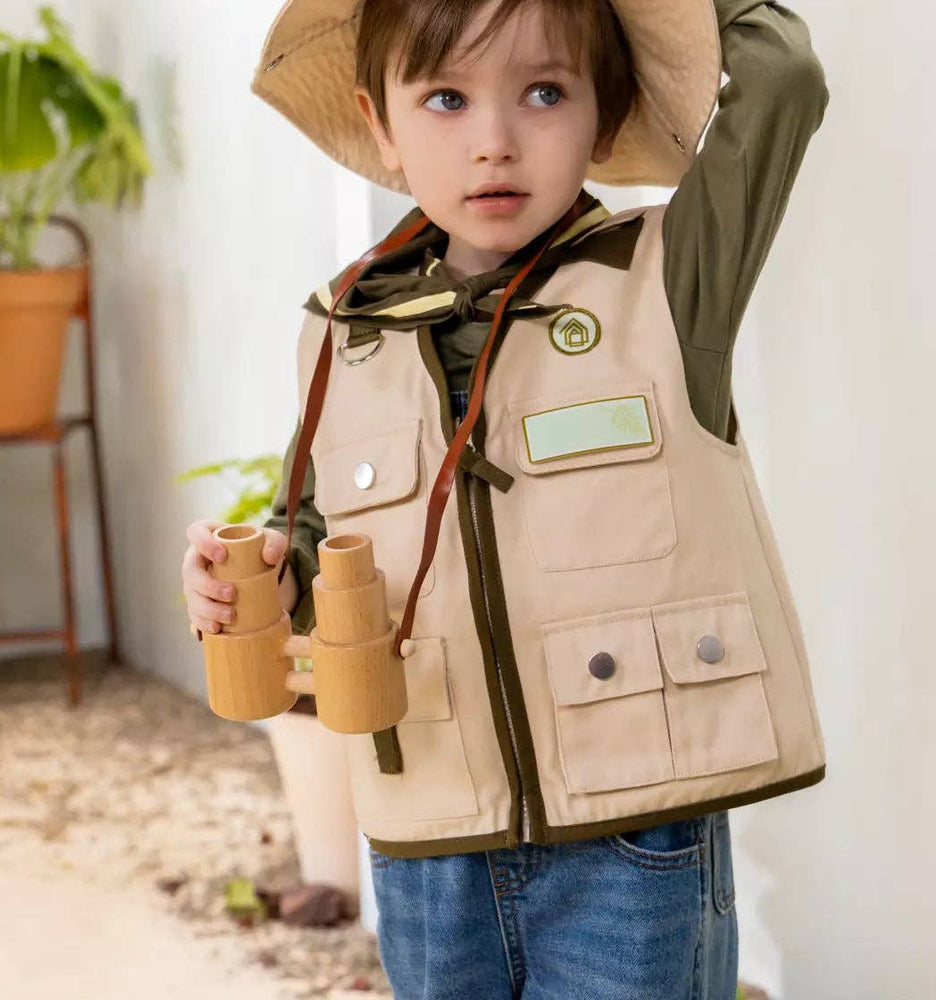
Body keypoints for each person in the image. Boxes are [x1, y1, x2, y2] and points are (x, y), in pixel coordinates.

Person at [182, 0, 829, 995]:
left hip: (633, 844)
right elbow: (312, 549)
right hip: (427, 845)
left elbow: (780, 76)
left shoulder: (666, 281)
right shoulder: (337, 335)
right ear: (380, 124)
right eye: (444, 98)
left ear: (604, 119)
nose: (494, 142)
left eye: (543, 92)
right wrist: (263, 578)